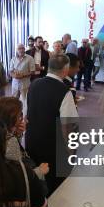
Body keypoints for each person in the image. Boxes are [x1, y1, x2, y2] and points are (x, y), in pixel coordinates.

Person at [25, 54, 78, 194]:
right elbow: (69, 125)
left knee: (35, 177)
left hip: (31, 140)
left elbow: (26, 112)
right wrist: (70, 151)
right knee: (54, 183)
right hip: (51, 146)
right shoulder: (64, 92)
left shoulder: (34, 84)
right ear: (65, 70)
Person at [0, 97, 49, 190]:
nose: (23, 119)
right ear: (11, 118)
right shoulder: (10, 142)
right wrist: (40, 171)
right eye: (20, 115)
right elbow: (18, 177)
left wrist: (17, 134)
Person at [9, 44, 35, 113]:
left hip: (25, 84)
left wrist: (23, 75)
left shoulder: (30, 58)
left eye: (22, 48)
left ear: (24, 49)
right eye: (19, 48)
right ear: (17, 50)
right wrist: (14, 76)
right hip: (15, 85)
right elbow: (10, 71)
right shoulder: (13, 59)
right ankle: (15, 115)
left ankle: (25, 117)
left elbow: (32, 71)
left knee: (25, 101)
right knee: (14, 101)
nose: (21, 50)